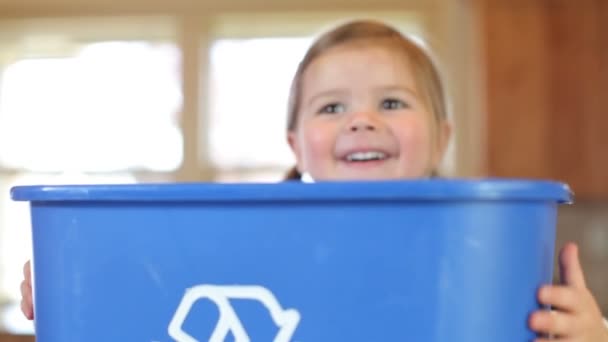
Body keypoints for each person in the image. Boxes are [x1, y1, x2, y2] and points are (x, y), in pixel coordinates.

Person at [21, 19, 608, 340]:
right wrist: (75, 294)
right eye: (331, 108)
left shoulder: (483, 252)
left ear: (442, 137)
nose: (361, 119)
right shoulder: (250, 249)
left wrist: (586, 337)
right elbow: (155, 300)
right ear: (296, 147)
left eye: (392, 102)